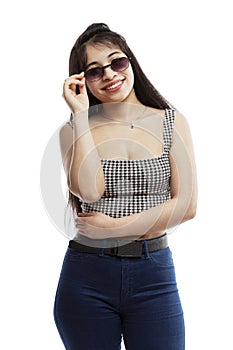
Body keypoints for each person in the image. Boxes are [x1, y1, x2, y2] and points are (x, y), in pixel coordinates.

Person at [53, 23, 197, 350]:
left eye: (117, 62)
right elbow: (89, 192)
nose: (109, 75)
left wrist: (114, 227)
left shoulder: (171, 121)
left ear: (130, 62)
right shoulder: (73, 130)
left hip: (154, 276)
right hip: (87, 277)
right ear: (82, 81)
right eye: (94, 71)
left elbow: (187, 206)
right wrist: (81, 116)